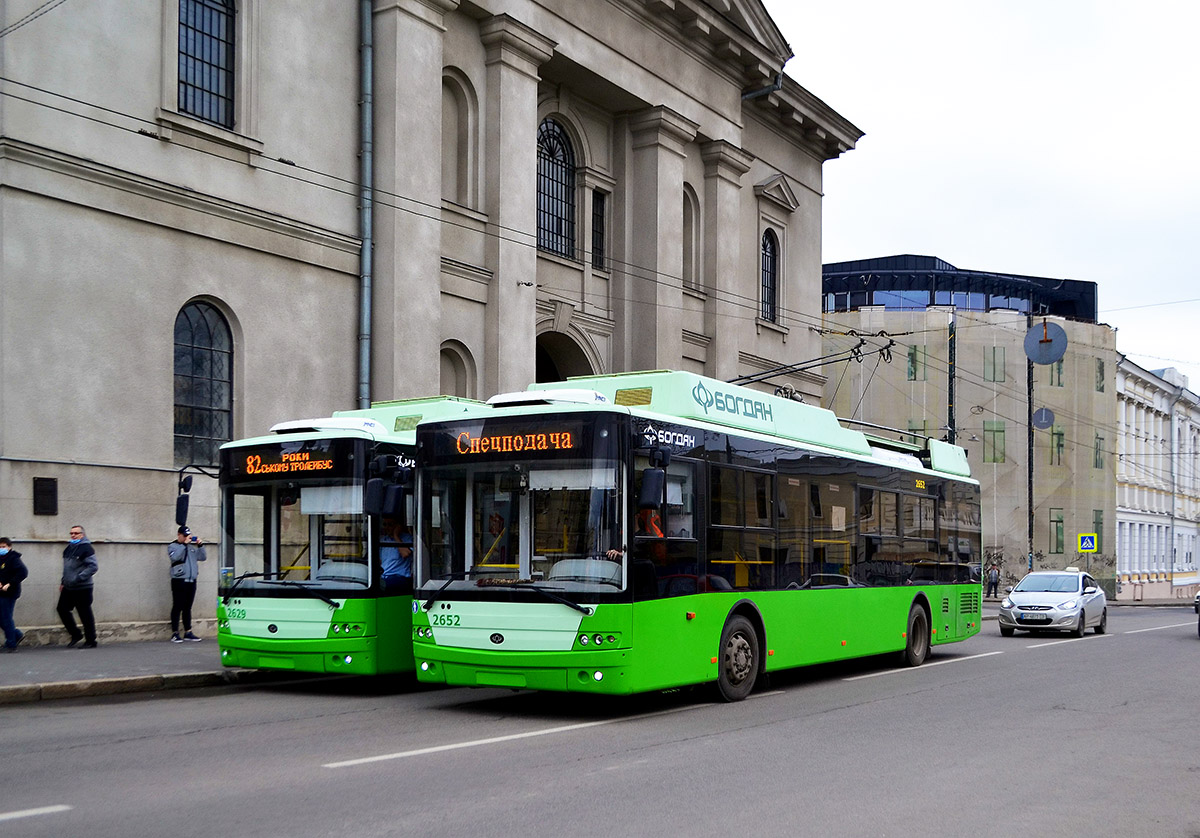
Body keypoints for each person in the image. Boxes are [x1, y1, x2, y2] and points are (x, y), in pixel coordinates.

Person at [59, 525, 98, 648]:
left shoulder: (86, 548)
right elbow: (67, 568)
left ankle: (91, 641)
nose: (73, 535)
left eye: (76, 533)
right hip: (68, 586)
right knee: (62, 609)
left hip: (82, 587)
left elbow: (93, 566)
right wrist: (63, 582)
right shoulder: (69, 548)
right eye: (71, 533)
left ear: (82, 535)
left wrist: (78, 578)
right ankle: (76, 634)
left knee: (85, 613)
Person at [168, 525, 207, 642]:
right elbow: (175, 557)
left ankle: (188, 631)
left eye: (188, 536)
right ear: (179, 535)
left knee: (187, 607)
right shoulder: (173, 546)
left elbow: (203, 557)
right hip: (179, 580)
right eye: (184, 536)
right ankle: (175, 633)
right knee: (177, 606)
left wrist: (200, 546)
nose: (186, 538)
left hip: (191, 581)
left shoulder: (191, 548)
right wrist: (183, 545)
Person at [0, 537, 29, 652]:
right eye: (0, 547)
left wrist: (10, 584)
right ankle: (17, 634)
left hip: (9, 593)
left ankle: (11, 644)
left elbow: (23, 572)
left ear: (9, 547)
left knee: (6, 618)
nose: (1, 549)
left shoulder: (13, 558)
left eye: (3, 547)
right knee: (2, 619)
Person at [380, 521, 413, 594]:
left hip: (399, 577)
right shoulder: (383, 540)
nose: (387, 528)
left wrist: (396, 536)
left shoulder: (407, 538)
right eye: (385, 524)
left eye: (390, 525)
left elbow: (405, 554)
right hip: (384, 576)